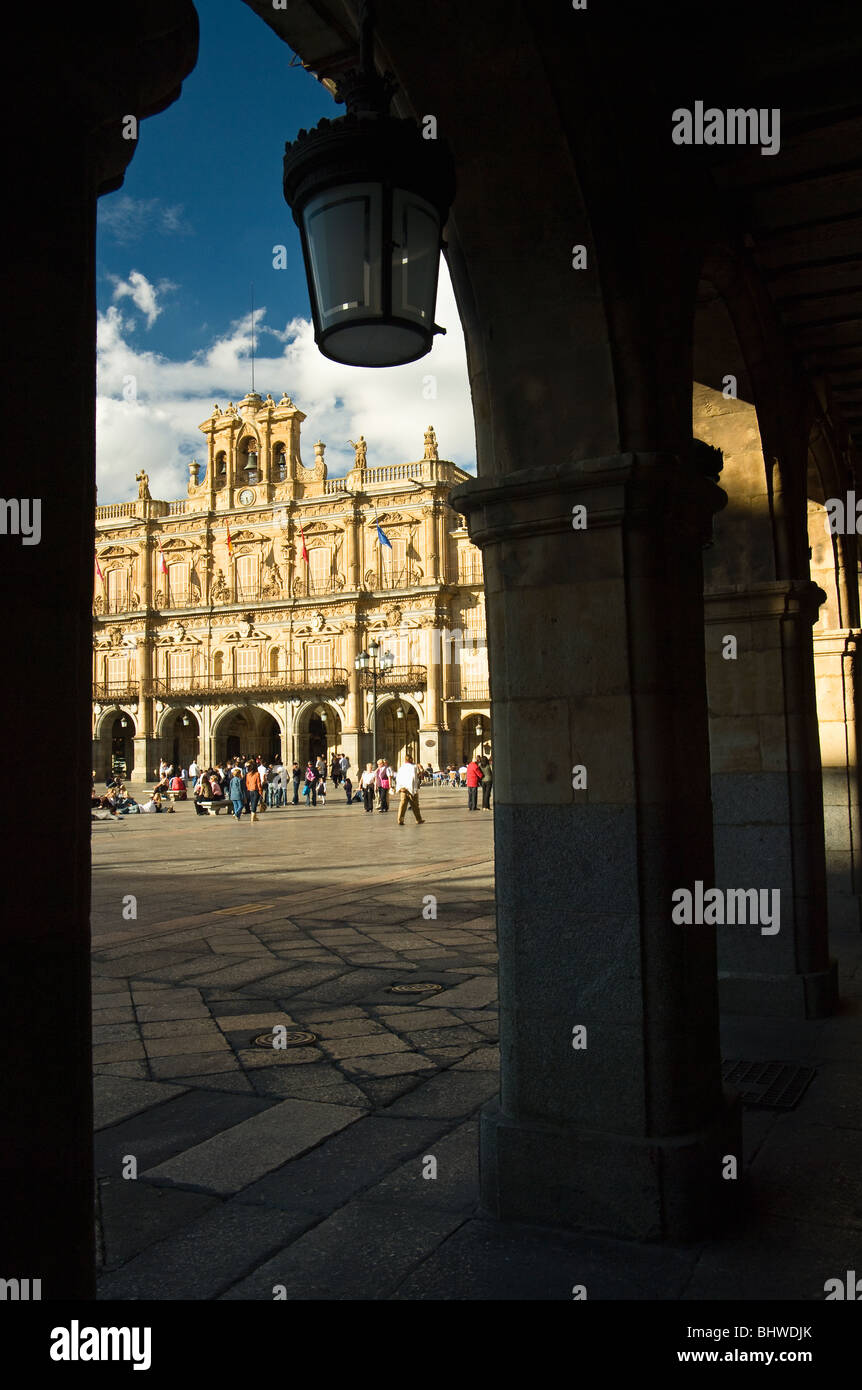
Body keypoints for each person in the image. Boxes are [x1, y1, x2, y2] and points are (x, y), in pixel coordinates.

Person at [396, 754, 425, 825]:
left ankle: (400, 820)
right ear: (411, 759)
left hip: (403, 788)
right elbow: (415, 777)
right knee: (415, 805)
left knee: (402, 805)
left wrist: (399, 787)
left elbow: (398, 777)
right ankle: (418, 819)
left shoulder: (401, 767)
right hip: (411, 788)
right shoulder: (414, 767)